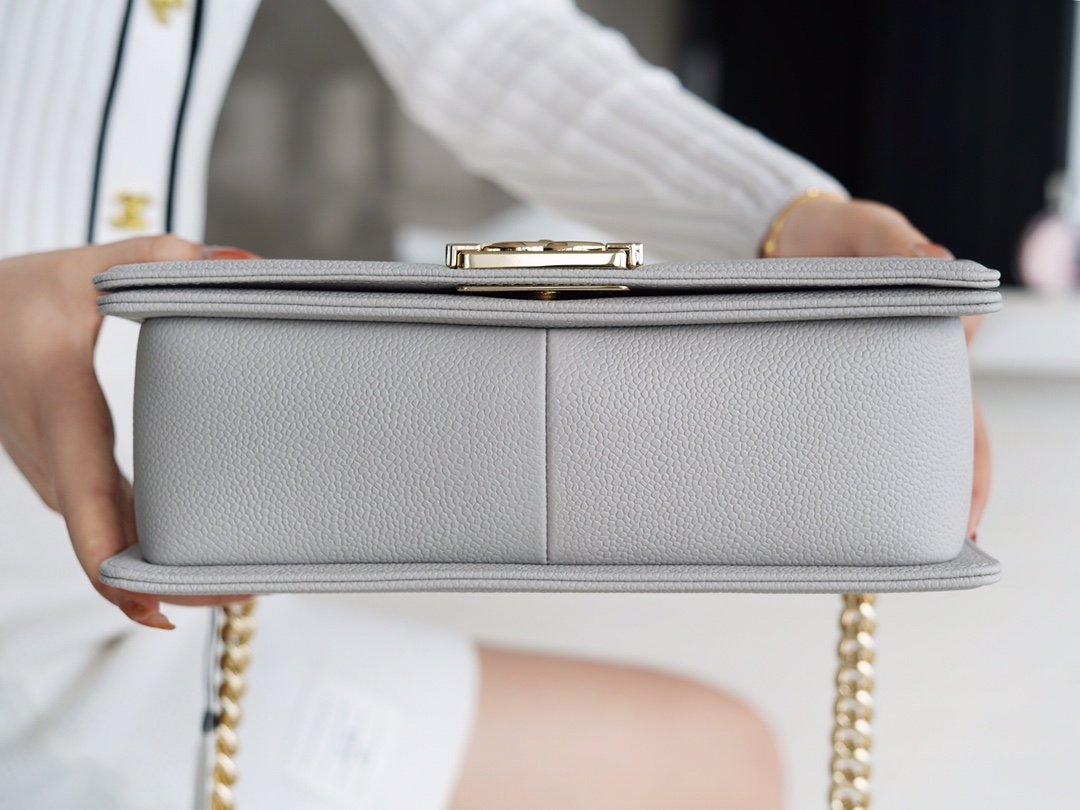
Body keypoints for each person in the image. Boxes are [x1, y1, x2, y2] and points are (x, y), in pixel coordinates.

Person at [0, 1, 989, 807]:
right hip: (74, 590)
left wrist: (782, 218)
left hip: (142, 578)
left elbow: (481, 38)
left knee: (714, 763)